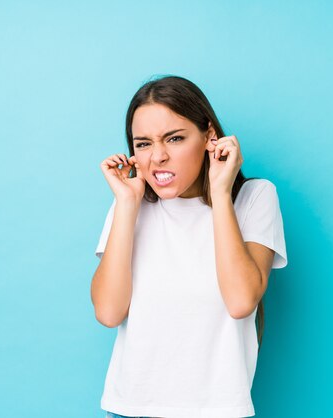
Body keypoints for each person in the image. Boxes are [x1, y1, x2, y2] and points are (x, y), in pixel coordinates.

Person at [91, 75, 288, 418]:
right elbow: (108, 312)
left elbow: (241, 301)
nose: (158, 157)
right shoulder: (130, 205)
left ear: (210, 136)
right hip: (129, 409)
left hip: (215, 411)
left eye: (175, 138)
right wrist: (126, 203)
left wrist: (221, 191)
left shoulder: (254, 198)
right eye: (143, 144)